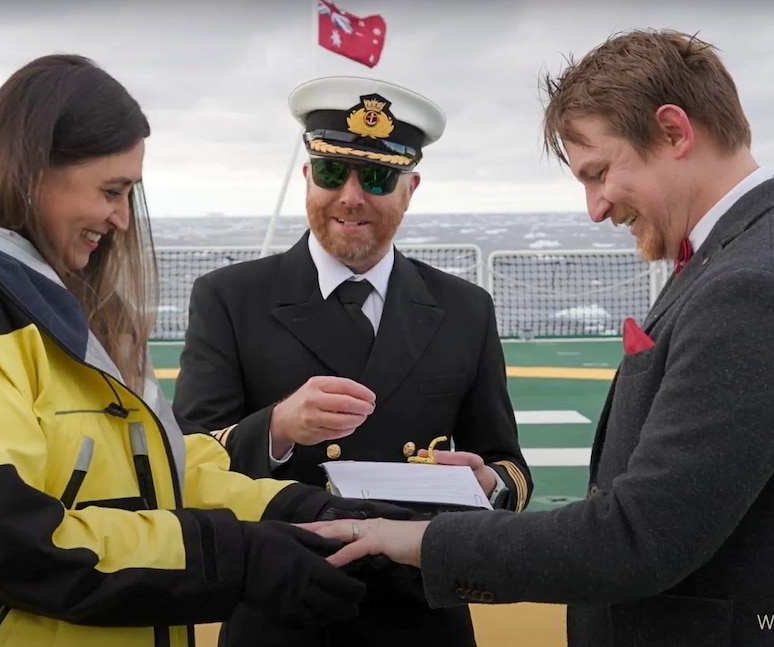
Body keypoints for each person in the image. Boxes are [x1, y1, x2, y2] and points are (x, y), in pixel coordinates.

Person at [0, 54, 412, 647]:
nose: (122, 219)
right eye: (111, 191)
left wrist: (302, 511)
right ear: (36, 169)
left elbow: (168, 472)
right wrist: (238, 558)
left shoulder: (83, 315)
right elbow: (6, 540)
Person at [306, 29, 774, 647]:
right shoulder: (735, 258)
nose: (595, 208)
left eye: (599, 172)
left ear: (674, 132)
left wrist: (416, 539)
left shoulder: (745, 286)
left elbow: (639, 539)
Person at [172, 75, 532, 647]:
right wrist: (278, 428)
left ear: (411, 188)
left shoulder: (466, 309)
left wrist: (487, 483)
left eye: (379, 178)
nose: (351, 197)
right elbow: (188, 463)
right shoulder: (229, 299)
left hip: (419, 617)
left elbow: (508, 466)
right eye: (335, 173)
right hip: (283, 612)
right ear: (308, 176)